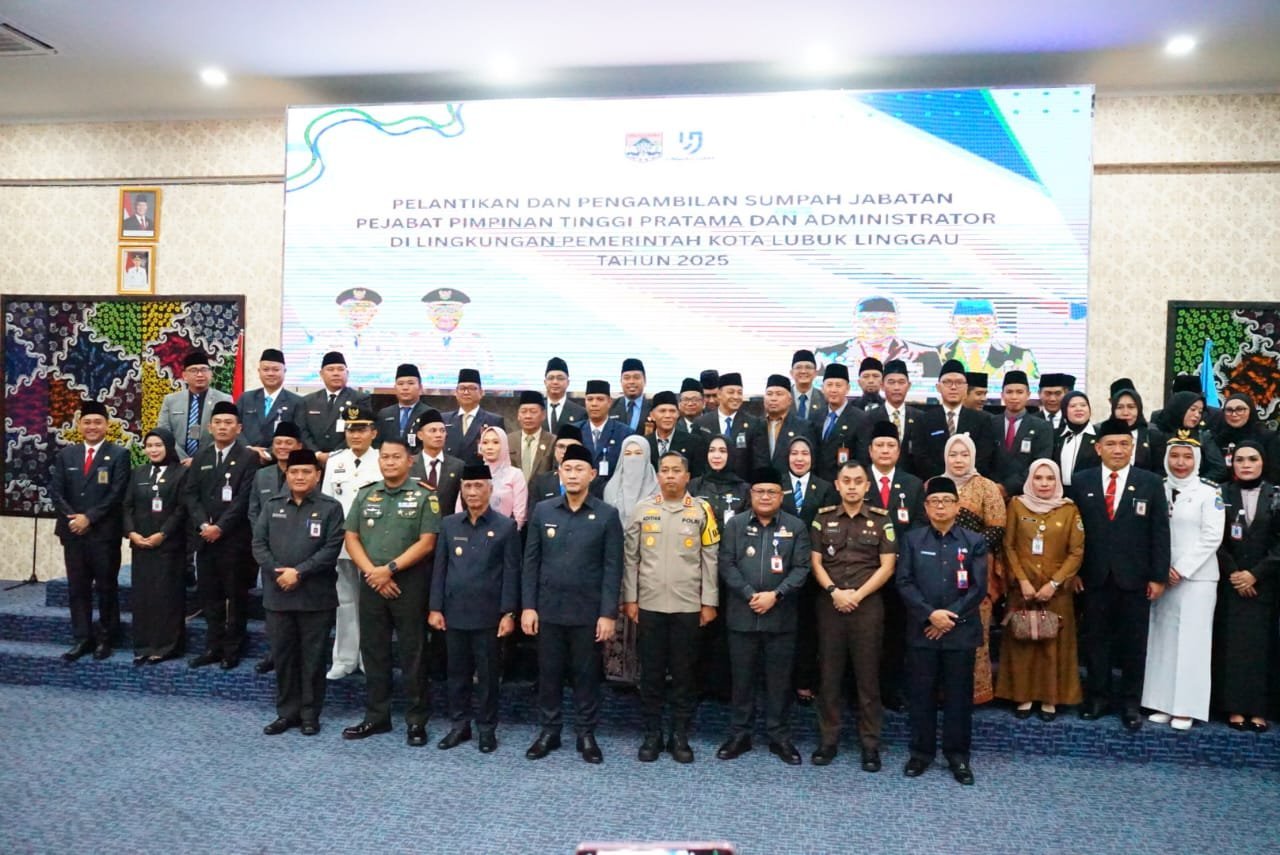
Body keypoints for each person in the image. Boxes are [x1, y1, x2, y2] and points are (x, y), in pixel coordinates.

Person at [522, 444, 624, 764]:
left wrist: (608, 614)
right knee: (548, 674)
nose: (573, 475)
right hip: (548, 609)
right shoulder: (544, 511)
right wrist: (528, 606)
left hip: (588, 612)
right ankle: (549, 731)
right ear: (560, 474)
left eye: (580, 469)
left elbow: (613, 568)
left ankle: (586, 733)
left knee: (586, 676)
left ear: (592, 474)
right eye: (568, 469)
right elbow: (530, 562)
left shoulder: (607, 515)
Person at [1070, 417, 1170, 731]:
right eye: (1111, 444)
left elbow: (1159, 533)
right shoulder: (1081, 481)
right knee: (1095, 640)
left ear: (1133, 447)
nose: (1117, 450)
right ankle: (1098, 698)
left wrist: (1158, 576)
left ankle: (1130, 703)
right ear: (1098, 448)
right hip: (1093, 577)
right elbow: (1074, 533)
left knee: (1134, 644)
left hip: (1135, 578)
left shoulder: (1150, 482)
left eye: (1124, 444)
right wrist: (1075, 572)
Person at [341, 437, 441, 746]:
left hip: (409, 584)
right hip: (372, 582)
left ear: (410, 461)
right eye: (385, 457)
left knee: (413, 653)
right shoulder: (366, 493)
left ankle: (416, 720)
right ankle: (377, 716)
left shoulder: (425, 495)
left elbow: (427, 542)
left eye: (396, 457)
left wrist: (390, 570)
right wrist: (373, 573)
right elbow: (351, 537)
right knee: (374, 651)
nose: (390, 462)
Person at [622, 452, 720, 763]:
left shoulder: (702, 510)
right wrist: (630, 598)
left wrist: (709, 601)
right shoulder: (643, 509)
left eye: (676, 471)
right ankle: (652, 734)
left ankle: (680, 735)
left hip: (688, 606)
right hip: (649, 605)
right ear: (658, 476)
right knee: (650, 675)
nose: (670, 476)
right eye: (664, 470)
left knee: (684, 675)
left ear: (687, 476)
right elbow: (631, 558)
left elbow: (710, 558)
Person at [716, 467, 812, 766]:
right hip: (742, 615)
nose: (766, 497)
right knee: (741, 680)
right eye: (760, 491)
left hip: (781, 617)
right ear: (751, 494)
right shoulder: (735, 525)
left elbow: (802, 568)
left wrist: (776, 595)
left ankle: (779, 737)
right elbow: (726, 563)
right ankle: (739, 735)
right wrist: (749, 594)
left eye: (772, 492)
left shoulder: (796, 527)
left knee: (779, 682)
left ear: (781, 496)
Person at [897, 476, 988, 785]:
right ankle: (920, 753)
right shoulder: (912, 539)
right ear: (925, 507)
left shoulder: (974, 541)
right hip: (922, 631)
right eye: (934, 502)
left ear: (957, 506)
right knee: (920, 695)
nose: (940, 507)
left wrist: (948, 619)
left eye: (946, 501)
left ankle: (957, 756)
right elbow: (904, 582)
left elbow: (978, 587)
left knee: (959, 698)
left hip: (960, 632)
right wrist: (930, 616)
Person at [809, 460, 897, 772]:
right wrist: (835, 592)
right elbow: (816, 562)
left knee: (867, 677)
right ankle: (828, 740)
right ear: (837, 485)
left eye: (858, 481)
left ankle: (870, 745)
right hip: (830, 604)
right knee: (829, 676)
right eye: (846, 480)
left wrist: (856, 595)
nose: (851, 486)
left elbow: (888, 566)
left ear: (867, 486)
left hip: (867, 606)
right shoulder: (822, 518)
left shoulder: (881, 518)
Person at [252, 448, 346, 737]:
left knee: (313, 659)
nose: (300, 476)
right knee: (283, 658)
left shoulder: (331, 508)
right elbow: (259, 544)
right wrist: (279, 572)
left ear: (318, 475)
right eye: (294, 472)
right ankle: (286, 713)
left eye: (306, 471)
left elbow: (331, 548)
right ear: (287, 475)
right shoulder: (272, 505)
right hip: (278, 595)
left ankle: (309, 714)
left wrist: (299, 572)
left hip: (315, 597)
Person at [429, 462, 521, 753]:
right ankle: (459, 725)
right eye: (467, 486)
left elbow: (511, 573)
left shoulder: (505, 526)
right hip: (454, 613)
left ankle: (486, 728)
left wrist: (509, 612)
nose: (472, 491)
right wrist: (435, 607)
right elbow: (440, 569)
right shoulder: (449, 524)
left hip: (489, 616)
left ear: (490, 489)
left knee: (488, 677)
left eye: (478, 485)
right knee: (456, 674)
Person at [1143, 437, 1224, 730]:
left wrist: (1180, 569)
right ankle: (1162, 703)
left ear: (1197, 461)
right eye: (1174, 456)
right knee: (1162, 639)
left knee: (1192, 643)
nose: (1180, 462)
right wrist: (1161, 569)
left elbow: (1212, 537)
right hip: (1161, 575)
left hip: (1196, 578)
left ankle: (1186, 707)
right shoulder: (1157, 488)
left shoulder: (1209, 493)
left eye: (1187, 457)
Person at [995, 460, 1085, 720]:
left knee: (1052, 645)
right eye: (1038, 478)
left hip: (1056, 590)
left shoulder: (1069, 509)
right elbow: (1008, 546)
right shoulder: (1017, 505)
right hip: (1022, 588)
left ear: (1057, 481)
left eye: (1049, 478)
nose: (1044, 483)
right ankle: (1022, 696)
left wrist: (1054, 583)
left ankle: (1050, 699)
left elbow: (1076, 551)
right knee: (1023, 643)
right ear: (1030, 480)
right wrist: (1022, 580)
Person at [50, 401, 131, 662]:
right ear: (79, 425)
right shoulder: (67, 455)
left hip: (103, 534)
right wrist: (74, 518)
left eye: (98, 422)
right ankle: (82, 638)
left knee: (106, 587)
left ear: (107, 425)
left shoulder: (119, 454)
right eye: (87, 422)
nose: (92, 427)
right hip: (72, 531)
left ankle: (107, 638)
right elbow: (57, 491)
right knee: (77, 588)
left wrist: (89, 518)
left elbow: (117, 493)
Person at [184, 401, 260, 670]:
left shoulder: (248, 457)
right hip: (205, 538)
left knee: (235, 597)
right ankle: (212, 646)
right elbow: (190, 494)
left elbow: (244, 499)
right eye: (218, 422)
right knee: (210, 596)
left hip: (234, 539)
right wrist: (203, 524)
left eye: (229, 423)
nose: (223, 427)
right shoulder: (202, 456)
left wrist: (221, 527)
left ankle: (232, 649)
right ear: (209, 427)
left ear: (239, 428)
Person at [1214, 441, 1280, 731]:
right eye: (1240, 459)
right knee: (1233, 647)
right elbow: (1215, 537)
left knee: (1261, 648)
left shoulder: (1277, 495)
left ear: (1263, 462)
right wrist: (1235, 573)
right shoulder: (1220, 494)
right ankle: (1234, 708)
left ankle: (1258, 709)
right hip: (1231, 583)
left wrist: (1255, 574)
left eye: (1252, 459)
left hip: (1265, 584)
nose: (1246, 465)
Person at [864, 419, 926, 711]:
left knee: (894, 633)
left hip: (900, 572)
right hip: (863, 572)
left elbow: (919, 526)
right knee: (864, 634)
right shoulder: (857, 480)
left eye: (891, 445)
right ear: (870, 450)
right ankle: (858, 690)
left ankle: (890, 689)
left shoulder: (912, 484)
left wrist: (897, 557)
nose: (885, 450)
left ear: (899, 451)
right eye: (880, 445)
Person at [942, 433, 1006, 705]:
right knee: (943, 627)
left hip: (977, 570)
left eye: (964, 454)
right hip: (939, 570)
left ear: (973, 456)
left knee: (975, 632)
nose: (959, 460)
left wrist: (967, 551)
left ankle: (975, 693)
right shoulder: (936, 485)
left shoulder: (986, 487)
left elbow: (997, 528)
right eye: (953, 454)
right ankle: (943, 692)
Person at [320, 402, 381, 680]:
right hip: (343, 544)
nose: (355, 435)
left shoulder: (382, 459)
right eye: (351, 430)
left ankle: (369, 658)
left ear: (373, 432)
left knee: (371, 605)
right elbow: (327, 504)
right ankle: (344, 659)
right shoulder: (335, 461)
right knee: (344, 602)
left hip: (372, 545)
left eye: (361, 429)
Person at [688, 435, 750, 701]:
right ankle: (697, 683)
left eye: (722, 450)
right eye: (712, 450)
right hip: (698, 567)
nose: (716, 455)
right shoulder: (693, 485)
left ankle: (725, 685)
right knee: (699, 626)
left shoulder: (744, 489)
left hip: (732, 569)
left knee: (728, 627)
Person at [122, 427, 188, 665]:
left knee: (166, 596)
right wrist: (131, 533)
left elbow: (182, 509)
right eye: (149, 446)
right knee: (143, 597)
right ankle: (143, 645)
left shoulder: (181, 473)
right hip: (141, 544)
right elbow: (126, 505)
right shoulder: (138, 472)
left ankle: (166, 646)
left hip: (168, 547)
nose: (153, 450)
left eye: (158, 445)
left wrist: (163, 534)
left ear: (168, 447)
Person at [781, 435, 836, 706]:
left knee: (809, 629)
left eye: (805, 453)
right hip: (780, 569)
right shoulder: (777, 485)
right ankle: (780, 682)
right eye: (794, 453)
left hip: (815, 570)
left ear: (813, 458)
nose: (799, 458)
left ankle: (804, 681)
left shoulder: (824, 488)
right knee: (782, 629)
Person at [602, 434, 659, 684]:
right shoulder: (610, 488)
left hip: (648, 563)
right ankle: (616, 671)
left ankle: (643, 671)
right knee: (617, 614)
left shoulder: (656, 489)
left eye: (638, 454)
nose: (633, 459)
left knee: (644, 617)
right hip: (616, 560)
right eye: (628, 454)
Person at [814, 295, 939, 382]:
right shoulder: (827, 355)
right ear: (855, 322)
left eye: (884, 320)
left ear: (896, 323)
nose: (876, 326)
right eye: (869, 320)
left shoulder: (925, 354)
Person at [908, 359, 996, 480]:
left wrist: (964, 479)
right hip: (936, 484)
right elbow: (921, 456)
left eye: (959, 382)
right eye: (948, 382)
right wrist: (944, 479)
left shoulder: (982, 420)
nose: (953, 387)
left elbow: (984, 456)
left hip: (971, 482)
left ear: (966, 388)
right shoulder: (924, 420)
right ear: (938, 387)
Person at [935, 298, 1039, 389]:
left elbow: (1032, 392)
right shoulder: (936, 354)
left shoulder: (1020, 356)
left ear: (995, 322)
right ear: (952, 323)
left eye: (983, 320)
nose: (974, 326)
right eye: (964, 320)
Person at [155, 349, 232, 462]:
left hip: (210, 462)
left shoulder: (224, 399)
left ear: (211, 374)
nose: (199, 374)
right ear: (184, 376)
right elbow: (164, 433)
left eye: (204, 370)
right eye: (194, 370)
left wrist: (197, 461)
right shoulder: (170, 400)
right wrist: (182, 458)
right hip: (176, 462)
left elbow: (226, 434)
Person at [297, 351, 369, 465]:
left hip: (346, 460)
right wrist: (317, 453)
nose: (336, 373)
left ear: (347, 373)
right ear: (321, 374)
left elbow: (360, 430)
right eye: (330, 369)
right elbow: (302, 431)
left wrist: (333, 455)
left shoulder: (359, 399)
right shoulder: (308, 401)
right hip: (313, 460)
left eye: (340, 369)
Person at [411, 288, 496, 385]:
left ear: (461, 313)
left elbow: (488, 374)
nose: (445, 316)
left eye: (452, 311)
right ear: (429, 313)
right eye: (438, 310)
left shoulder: (476, 341)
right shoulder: (416, 340)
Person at [991, 369, 1054, 497]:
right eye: (1009, 392)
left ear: (1028, 395)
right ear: (1002, 395)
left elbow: (1039, 463)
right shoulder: (990, 423)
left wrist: (1007, 488)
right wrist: (993, 487)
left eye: (1019, 392)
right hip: (991, 492)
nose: (1014, 397)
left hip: (1027, 494)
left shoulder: (1042, 427)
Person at [238, 348, 304, 464]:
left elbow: (299, 435)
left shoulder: (297, 401)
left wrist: (268, 453)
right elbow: (235, 427)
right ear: (259, 371)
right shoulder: (246, 398)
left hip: (278, 461)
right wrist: (248, 449)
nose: (270, 373)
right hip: (244, 458)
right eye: (266, 369)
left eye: (276, 370)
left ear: (284, 371)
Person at [809, 362, 871, 483]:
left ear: (847, 388)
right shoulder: (815, 415)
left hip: (845, 482)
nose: (833, 390)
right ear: (822, 388)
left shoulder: (860, 418)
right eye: (829, 385)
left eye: (838, 385)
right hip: (817, 483)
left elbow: (863, 458)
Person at [1152, 391, 1230, 483]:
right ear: (1179, 408)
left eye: (1200, 412)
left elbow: (1219, 469)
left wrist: (1194, 484)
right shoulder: (1154, 433)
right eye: (1193, 409)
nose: (1197, 415)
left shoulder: (1203, 437)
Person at [749, 374, 818, 474]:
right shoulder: (755, 425)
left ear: (790, 400)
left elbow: (811, 463)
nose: (773, 398)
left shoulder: (804, 427)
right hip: (761, 481)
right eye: (769, 394)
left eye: (779, 394)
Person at [694, 372, 755, 480]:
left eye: (739, 393)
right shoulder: (701, 423)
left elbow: (758, 461)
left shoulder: (753, 423)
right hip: (708, 484)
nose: (736, 397)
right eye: (731, 392)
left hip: (742, 484)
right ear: (719, 394)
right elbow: (697, 461)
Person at [865, 359, 922, 472]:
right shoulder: (869, 418)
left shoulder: (920, 418)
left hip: (913, 479)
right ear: (882, 386)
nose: (896, 387)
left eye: (901, 382)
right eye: (891, 382)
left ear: (909, 385)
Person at [579, 379, 632, 492]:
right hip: (580, 492)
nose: (594, 404)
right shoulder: (575, 430)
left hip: (612, 493)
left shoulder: (625, 433)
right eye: (590, 399)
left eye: (600, 399)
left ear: (609, 402)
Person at [247, 421, 302, 527]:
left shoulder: (306, 474)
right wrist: (260, 534)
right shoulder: (261, 474)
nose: (282, 447)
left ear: (299, 446)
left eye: (288, 443)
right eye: (278, 442)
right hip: (264, 534)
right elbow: (254, 511)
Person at [1215, 393, 1280, 483]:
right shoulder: (1217, 437)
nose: (1234, 414)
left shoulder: (1267, 437)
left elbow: (1274, 472)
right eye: (1229, 410)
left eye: (1240, 409)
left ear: (1251, 411)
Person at [443, 368, 505, 461]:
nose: (466, 392)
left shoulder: (494, 421)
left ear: (481, 392)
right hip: (450, 468)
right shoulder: (444, 419)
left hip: (480, 469)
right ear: (455, 392)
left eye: (472, 388)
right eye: (462, 388)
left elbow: (501, 453)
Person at [409, 408, 463, 515]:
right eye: (433, 431)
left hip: (446, 522)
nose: (439, 435)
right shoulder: (408, 464)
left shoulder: (458, 466)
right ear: (420, 435)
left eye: (442, 431)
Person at [526, 424, 585, 519]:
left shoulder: (593, 482)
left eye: (571, 447)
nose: (565, 451)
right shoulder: (540, 482)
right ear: (555, 450)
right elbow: (533, 519)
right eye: (561, 446)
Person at [645, 390, 707, 477]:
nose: (668, 416)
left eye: (672, 411)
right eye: (662, 411)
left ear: (678, 414)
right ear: (652, 415)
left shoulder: (694, 442)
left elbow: (697, 477)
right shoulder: (644, 443)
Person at [1107, 384, 1164, 474]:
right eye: (1120, 407)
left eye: (1131, 407)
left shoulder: (1153, 436)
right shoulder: (1104, 435)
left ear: (1139, 409)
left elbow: (1159, 471)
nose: (1125, 413)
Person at [375, 363, 430, 452]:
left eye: (410, 383)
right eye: (400, 384)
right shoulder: (384, 414)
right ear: (395, 388)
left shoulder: (430, 413)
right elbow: (377, 443)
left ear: (420, 388)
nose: (405, 388)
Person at [1053, 390, 1099, 488]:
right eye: (1073, 406)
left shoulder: (1099, 435)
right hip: (1060, 492)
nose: (1079, 409)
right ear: (1064, 411)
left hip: (1089, 490)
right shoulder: (1055, 435)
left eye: (1083, 405)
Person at [508, 390, 555, 483]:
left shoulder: (552, 441)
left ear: (543, 415)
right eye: (523, 412)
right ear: (518, 415)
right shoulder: (509, 440)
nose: (528, 416)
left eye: (533, 412)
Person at [543, 357, 586, 433]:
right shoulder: (537, 409)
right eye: (551, 378)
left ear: (568, 382)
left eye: (560, 378)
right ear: (545, 382)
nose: (555, 382)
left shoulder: (580, 412)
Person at [610, 357, 651, 432]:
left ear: (645, 381)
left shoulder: (653, 408)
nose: (631, 382)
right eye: (627, 378)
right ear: (621, 381)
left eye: (636, 377)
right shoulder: (611, 407)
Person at [790, 349, 819, 420]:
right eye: (798, 367)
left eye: (808, 367)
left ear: (816, 373)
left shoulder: (824, 399)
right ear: (791, 373)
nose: (803, 371)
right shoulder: (782, 397)